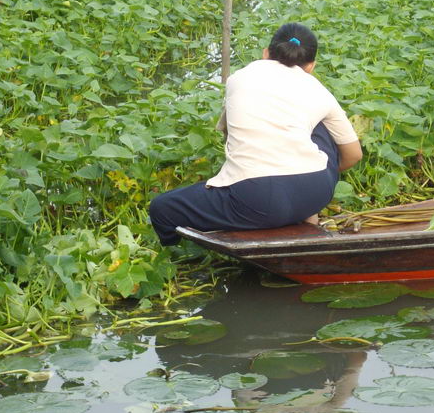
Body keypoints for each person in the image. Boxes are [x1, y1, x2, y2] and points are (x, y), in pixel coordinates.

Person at [149, 22, 362, 246]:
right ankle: (305, 219)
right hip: (317, 191)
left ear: (266, 53)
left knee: (163, 209)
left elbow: (231, 137)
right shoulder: (318, 89)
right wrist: (303, 178)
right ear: (311, 66)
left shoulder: (240, 77)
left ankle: (182, 260)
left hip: (257, 199)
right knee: (322, 126)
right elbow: (353, 154)